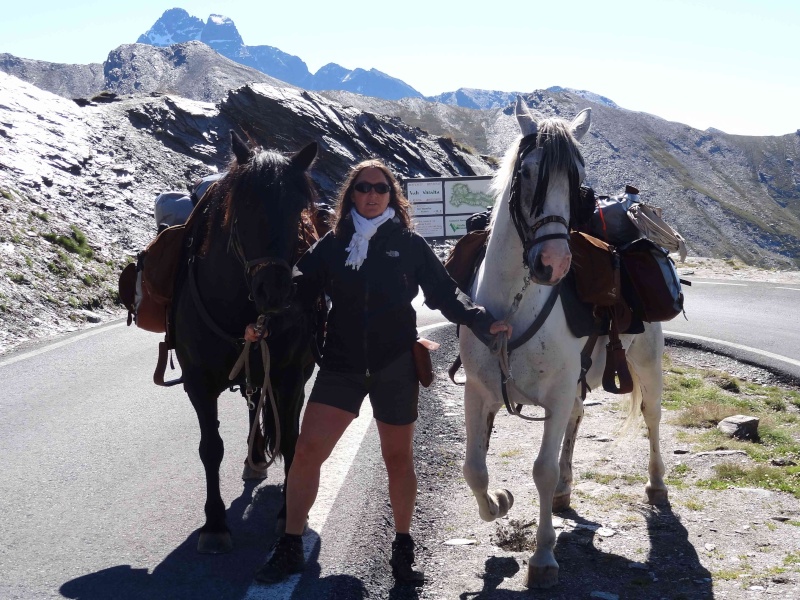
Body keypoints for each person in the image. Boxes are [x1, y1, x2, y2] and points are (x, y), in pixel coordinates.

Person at [250, 159, 511, 585]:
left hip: (395, 367)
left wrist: (482, 321)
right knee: (307, 455)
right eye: (363, 188)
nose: (371, 195)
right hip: (341, 365)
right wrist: (264, 321)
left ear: (392, 196)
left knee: (397, 458)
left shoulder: (408, 243)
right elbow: (297, 294)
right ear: (350, 194)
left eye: (380, 188)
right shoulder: (334, 244)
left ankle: (403, 545)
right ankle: (290, 544)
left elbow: (446, 294)